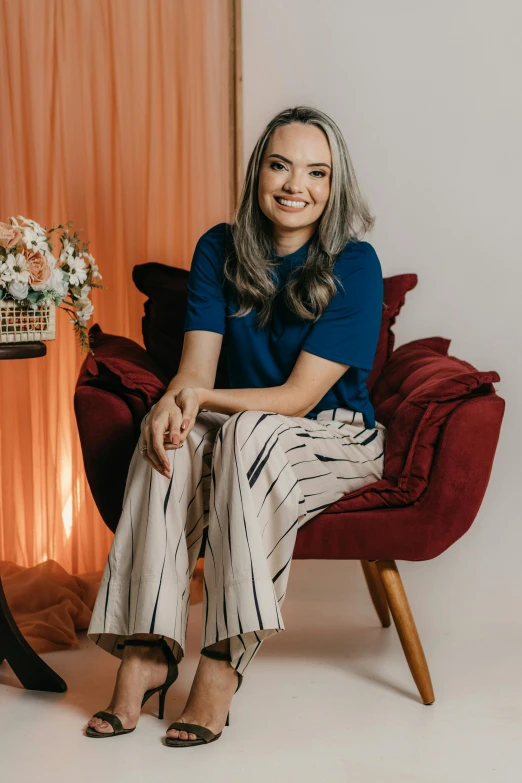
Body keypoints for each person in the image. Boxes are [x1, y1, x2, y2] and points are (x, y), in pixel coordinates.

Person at [85, 105, 387, 747]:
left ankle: (222, 660)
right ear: (258, 173)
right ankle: (147, 649)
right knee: (169, 431)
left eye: (316, 172)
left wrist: (199, 400)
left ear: (335, 187)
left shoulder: (354, 263)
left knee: (245, 434)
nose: (294, 185)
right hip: (238, 425)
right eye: (280, 165)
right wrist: (173, 404)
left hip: (331, 435)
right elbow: (194, 371)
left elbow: (299, 398)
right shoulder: (218, 248)